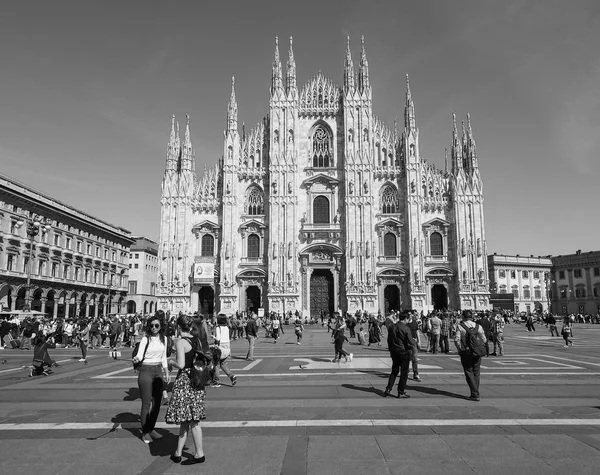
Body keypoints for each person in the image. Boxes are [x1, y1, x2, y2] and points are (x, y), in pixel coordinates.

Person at [165, 315, 210, 465]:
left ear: (178, 327)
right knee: (188, 418)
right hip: (197, 381)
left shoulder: (181, 342)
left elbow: (182, 364)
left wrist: (170, 362)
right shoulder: (195, 339)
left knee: (192, 420)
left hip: (185, 382)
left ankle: (199, 454)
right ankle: (178, 453)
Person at [132, 314, 170, 444]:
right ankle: (145, 432)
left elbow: (164, 357)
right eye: (152, 325)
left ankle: (151, 428)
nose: (154, 328)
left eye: (157, 325)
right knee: (146, 403)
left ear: (161, 326)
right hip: (146, 371)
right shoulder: (145, 339)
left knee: (157, 404)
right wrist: (136, 359)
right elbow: (140, 355)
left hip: (158, 371)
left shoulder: (163, 339)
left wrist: (166, 373)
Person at [454, 310, 486, 401]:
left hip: (466, 352)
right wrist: (479, 347)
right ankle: (475, 391)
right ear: (471, 317)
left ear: (463, 317)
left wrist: (460, 350)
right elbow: (484, 339)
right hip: (477, 353)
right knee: (476, 372)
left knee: (469, 372)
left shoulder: (460, 326)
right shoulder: (478, 326)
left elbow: (457, 340)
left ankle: (474, 393)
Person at [384, 311, 415, 398]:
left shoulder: (392, 327)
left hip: (394, 351)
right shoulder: (406, 328)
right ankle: (400, 391)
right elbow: (410, 341)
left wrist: (390, 350)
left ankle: (388, 388)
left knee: (394, 371)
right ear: (405, 318)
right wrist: (414, 342)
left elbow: (389, 340)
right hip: (404, 352)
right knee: (404, 373)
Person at [211, 314, 237, 387]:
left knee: (216, 365)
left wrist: (213, 336)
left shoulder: (218, 328)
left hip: (220, 349)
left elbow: (218, 339)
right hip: (227, 348)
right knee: (223, 364)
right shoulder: (227, 327)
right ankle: (232, 376)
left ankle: (216, 381)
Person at [406, 313, 422, 382]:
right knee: (407, 359)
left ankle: (416, 374)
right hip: (406, 343)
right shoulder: (405, 324)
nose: (410, 316)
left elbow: (417, 331)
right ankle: (406, 372)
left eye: (410, 315)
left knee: (415, 358)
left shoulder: (414, 323)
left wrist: (419, 341)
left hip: (413, 343)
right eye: (408, 315)